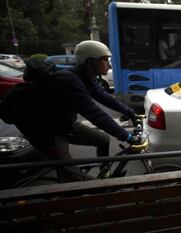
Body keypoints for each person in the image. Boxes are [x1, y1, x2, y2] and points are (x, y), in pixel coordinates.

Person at [27, 40, 140, 180]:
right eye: (105, 60)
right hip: (47, 131)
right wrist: (126, 136)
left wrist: (130, 112)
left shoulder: (85, 78)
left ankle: (104, 172)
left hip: (66, 124)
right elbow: (94, 113)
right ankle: (72, 194)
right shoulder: (68, 80)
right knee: (74, 178)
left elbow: (105, 97)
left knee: (103, 139)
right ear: (90, 62)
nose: (109, 65)